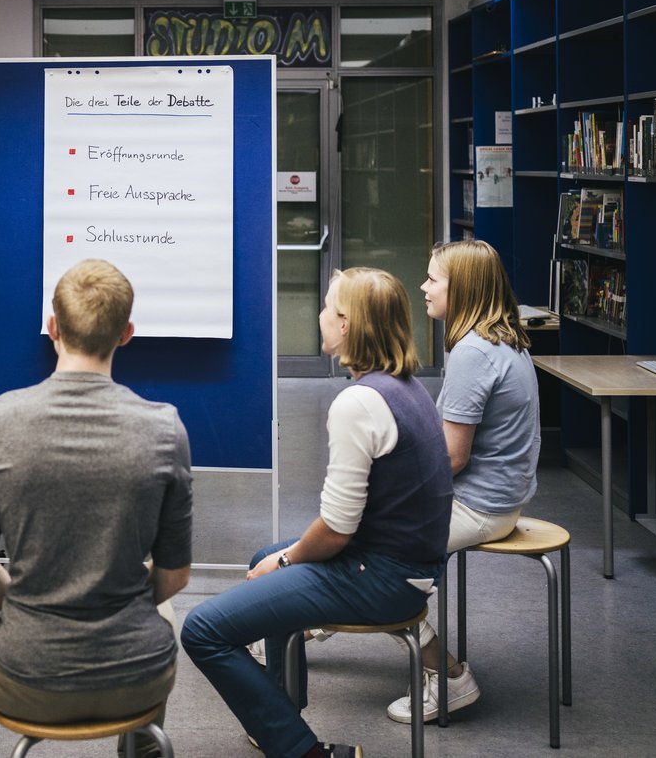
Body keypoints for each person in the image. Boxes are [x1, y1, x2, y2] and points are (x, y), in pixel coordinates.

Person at [182, 267, 453, 758]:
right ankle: (280, 714)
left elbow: (334, 531)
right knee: (266, 555)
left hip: (382, 579)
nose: (321, 315)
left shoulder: (359, 403)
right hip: (411, 567)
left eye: (329, 308)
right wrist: (279, 558)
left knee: (203, 629)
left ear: (347, 325)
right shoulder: (408, 388)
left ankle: (300, 749)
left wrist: (285, 563)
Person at [0, 259, 192, 758]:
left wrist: (31, 614)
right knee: (165, 611)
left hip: (28, 677)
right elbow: (174, 577)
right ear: (127, 334)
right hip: (138, 677)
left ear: (53, 327)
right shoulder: (164, 428)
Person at [390, 239, 541, 723]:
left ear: (465, 289)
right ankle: (304, 627)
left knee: (369, 563)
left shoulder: (473, 352)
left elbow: (451, 458)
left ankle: (451, 678)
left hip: (477, 506)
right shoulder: (502, 340)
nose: (423, 287)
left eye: (433, 279)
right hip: (501, 500)